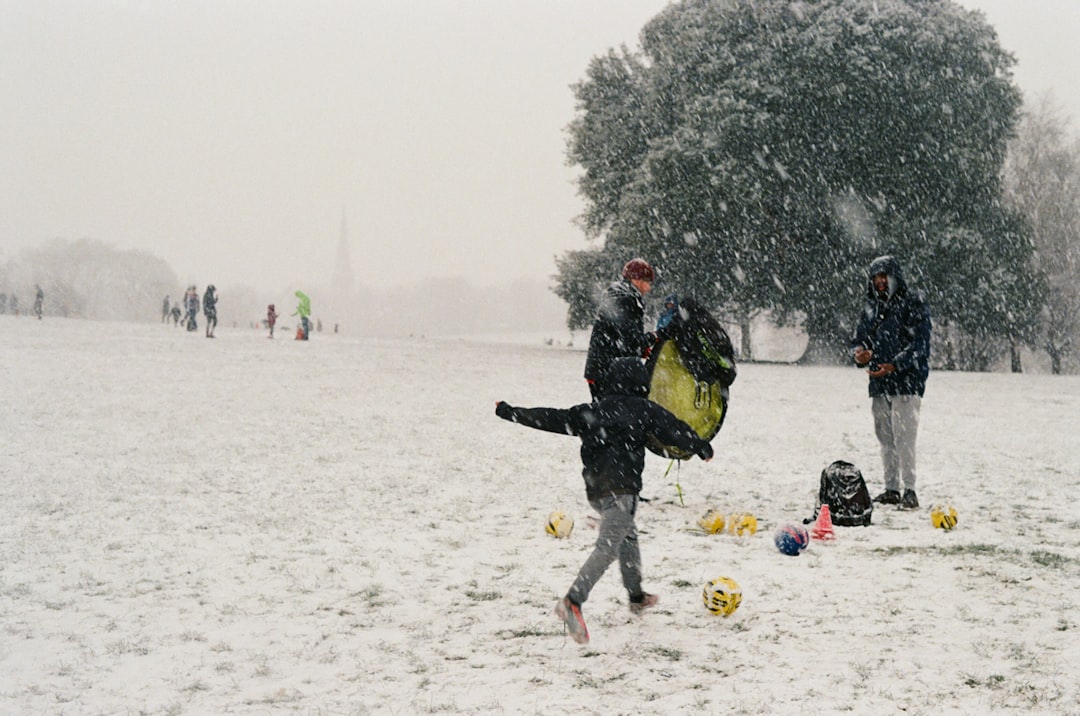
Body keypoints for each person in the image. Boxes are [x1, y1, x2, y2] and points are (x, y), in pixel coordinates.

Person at [495, 357, 714, 645]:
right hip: (622, 488)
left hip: (596, 490)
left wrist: (511, 412)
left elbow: (550, 417)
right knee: (608, 546)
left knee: (627, 537)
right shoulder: (644, 409)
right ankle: (573, 600)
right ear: (641, 383)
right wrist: (699, 444)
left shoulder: (591, 411)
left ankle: (636, 596)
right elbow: (673, 429)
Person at [851, 255, 932, 511]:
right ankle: (891, 488)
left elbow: (921, 345)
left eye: (884, 276)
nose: (880, 282)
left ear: (895, 277)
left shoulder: (913, 303)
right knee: (885, 436)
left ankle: (910, 489)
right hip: (878, 383)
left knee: (905, 437)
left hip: (906, 382)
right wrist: (860, 353)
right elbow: (859, 339)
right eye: (875, 277)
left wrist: (896, 365)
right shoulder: (870, 307)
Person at [584, 258, 660, 400]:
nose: (649, 288)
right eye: (648, 282)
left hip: (599, 368)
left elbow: (618, 336)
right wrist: (655, 336)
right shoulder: (627, 300)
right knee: (612, 418)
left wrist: (640, 349)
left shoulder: (616, 295)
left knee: (601, 415)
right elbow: (631, 342)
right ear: (637, 279)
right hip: (612, 372)